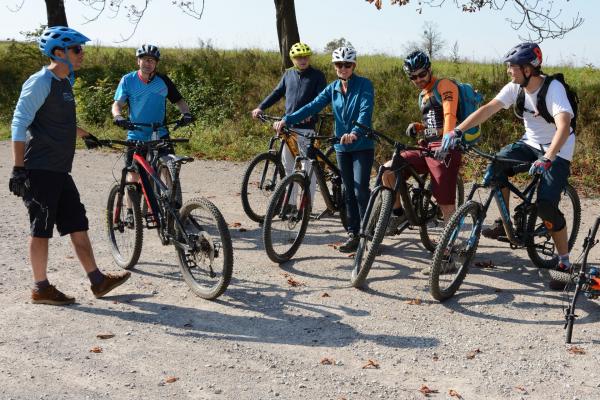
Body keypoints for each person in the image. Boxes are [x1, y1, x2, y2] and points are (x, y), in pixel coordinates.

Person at [9, 26, 130, 305]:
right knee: (41, 228)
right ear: (58, 52)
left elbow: (59, 122)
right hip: (39, 168)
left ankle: (97, 281)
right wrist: (18, 168)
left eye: (81, 49)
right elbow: (19, 123)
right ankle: (41, 288)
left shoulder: (64, 82)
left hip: (60, 170)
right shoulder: (41, 81)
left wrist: (87, 135)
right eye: (77, 49)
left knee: (77, 222)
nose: (81, 54)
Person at [439, 42, 575, 288]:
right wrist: (457, 130)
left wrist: (548, 158)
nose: (508, 71)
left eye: (512, 66)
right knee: (495, 169)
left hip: (558, 148)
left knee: (545, 206)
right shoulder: (516, 87)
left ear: (528, 69)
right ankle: (506, 224)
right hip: (530, 144)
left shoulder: (553, 89)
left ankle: (564, 260)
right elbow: (489, 108)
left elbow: (564, 127)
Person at [274, 47, 375, 253]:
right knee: (347, 191)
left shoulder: (364, 85)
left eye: (347, 64)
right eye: (339, 64)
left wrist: (356, 132)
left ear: (353, 66)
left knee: (360, 190)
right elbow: (313, 105)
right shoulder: (333, 88)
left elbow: (366, 110)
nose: (343, 68)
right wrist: (287, 119)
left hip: (361, 144)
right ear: (335, 67)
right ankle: (354, 234)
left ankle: (368, 235)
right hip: (341, 145)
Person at [382, 50, 462, 244]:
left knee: (445, 202)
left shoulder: (444, 85)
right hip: (426, 147)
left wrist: (447, 140)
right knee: (387, 169)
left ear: (429, 69)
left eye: (421, 74)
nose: (418, 79)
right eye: (413, 76)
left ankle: (449, 252)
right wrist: (419, 127)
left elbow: (450, 115)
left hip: (446, 148)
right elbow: (433, 122)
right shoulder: (423, 95)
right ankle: (398, 212)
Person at [252, 42, 326, 206]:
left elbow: (321, 99)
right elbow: (277, 93)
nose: (303, 60)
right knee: (289, 167)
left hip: (307, 130)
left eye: (305, 57)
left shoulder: (317, 75)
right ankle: (290, 204)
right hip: (288, 128)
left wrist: (311, 114)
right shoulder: (288, 75)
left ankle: (306, 206)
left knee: (308, 169)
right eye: (299, 57)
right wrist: (260, 107)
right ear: (293, 59)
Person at [111, 44, 194, 191]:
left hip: (159, 133)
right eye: (145, 60)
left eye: (152, 61)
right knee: (133, 177)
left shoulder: (163, 80)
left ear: (156, 64)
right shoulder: (128, 80)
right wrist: (118, 117)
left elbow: (179, 101)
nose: (148, 63)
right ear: (138, 61)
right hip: (136, 133)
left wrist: (186, 113)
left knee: (169, 169)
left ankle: (172, 206)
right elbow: (117, 104)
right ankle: (131, 212)